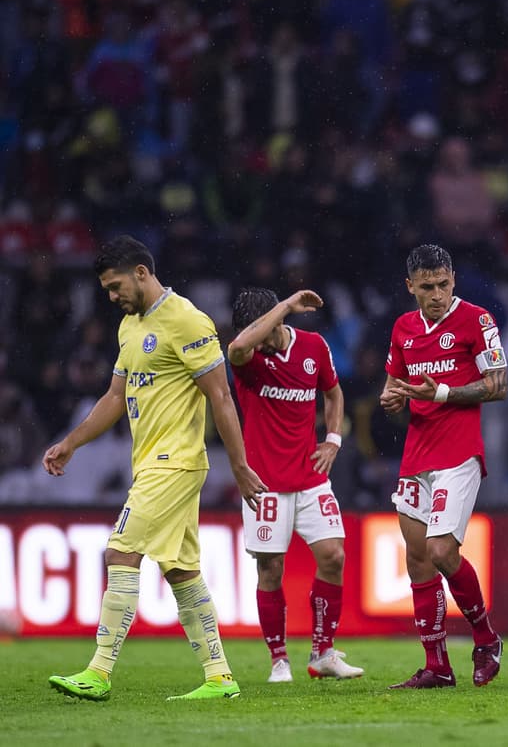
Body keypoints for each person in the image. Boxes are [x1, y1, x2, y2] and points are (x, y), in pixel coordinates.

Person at [43, 236, 267, 701]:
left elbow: (220, 396)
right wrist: (71, 443)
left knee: (121, 552)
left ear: (142, 272)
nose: (111, 296)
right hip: (151, 464)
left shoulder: (186, 320)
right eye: (106, 289)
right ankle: (220, 677)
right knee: (181, 571)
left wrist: (240, 465)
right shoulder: (130, 326)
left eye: (115, 285)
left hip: (178, 462)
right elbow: (113, 398)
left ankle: (99, 672)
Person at [380, 244, 508, 689]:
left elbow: (498, 386)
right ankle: (437, 665)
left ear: (453, 279)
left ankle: (486, 639)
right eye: (427, 287)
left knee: (440, 552)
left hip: (458, 452)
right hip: (416, 454)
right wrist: (392, 397)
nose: (437, 294)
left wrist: (440, 394)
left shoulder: (478, 320)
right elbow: (394, 385)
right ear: (410, 285)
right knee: (417, 558)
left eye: (444, 284)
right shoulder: (403, 328)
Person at [227, 287, 364, 683]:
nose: (258, 340)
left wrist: (334, 440)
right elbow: (238, 347)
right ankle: (279, 660)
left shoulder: (314, 347)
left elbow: (333, 394)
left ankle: (323, 652)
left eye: (265, 328)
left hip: (309, 478)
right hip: (263, 482)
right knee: (270, 570)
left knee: (334, 556)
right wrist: (285, 305)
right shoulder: (247, 360)